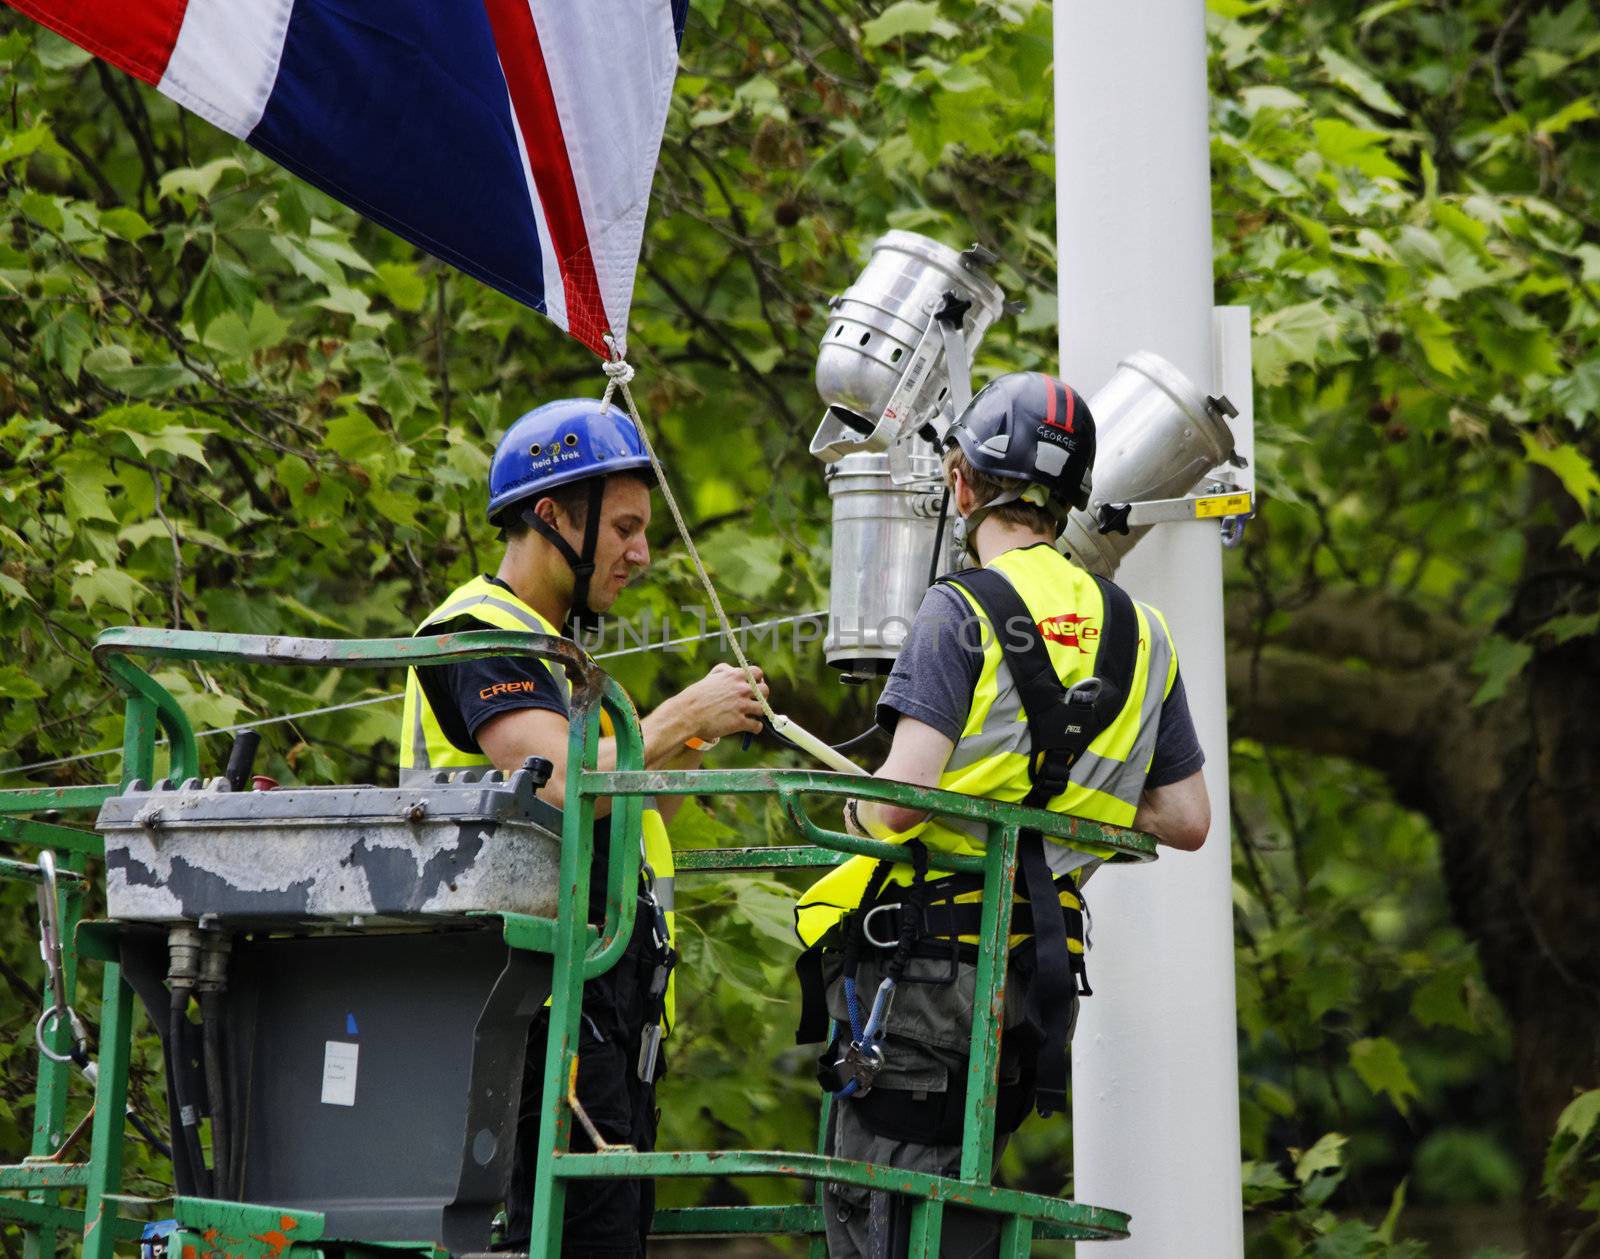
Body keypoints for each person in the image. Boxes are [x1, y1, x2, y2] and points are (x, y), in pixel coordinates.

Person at [793, 371, 1211, 1258]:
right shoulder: (1145, 632)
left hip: (924, 965)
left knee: (886, 1206)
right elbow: (1186, 816)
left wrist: (862, 805)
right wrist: (1061, 795)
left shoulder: (960, 611)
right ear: (1070, 503)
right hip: (1033, 973)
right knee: (959, 1184)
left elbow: (899, 802)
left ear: (960, 483)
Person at [400, 397, 768, 1257]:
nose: (641, 553)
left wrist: (690, 738)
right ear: (555, 515)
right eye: (626, 528)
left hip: (604, 1000)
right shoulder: (476, 635)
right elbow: (558, 778)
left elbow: (633, 819)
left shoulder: (559, 656)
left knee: (608, 1234)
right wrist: (680, 715)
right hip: (532, 997)